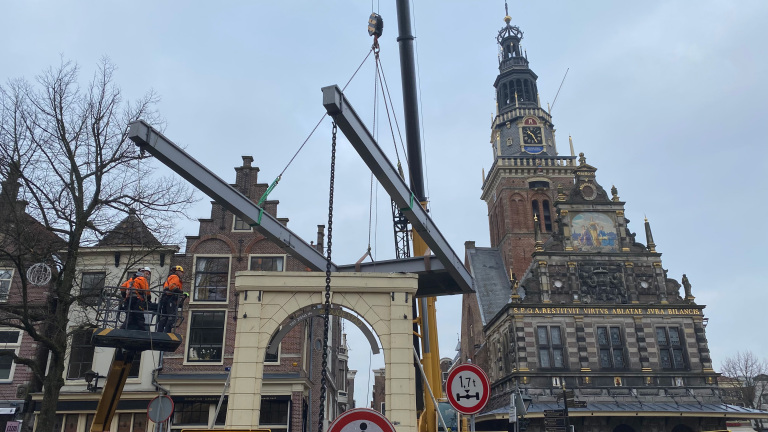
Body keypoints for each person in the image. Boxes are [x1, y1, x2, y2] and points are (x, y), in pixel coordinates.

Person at [156, 265, 187, 333]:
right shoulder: (175, 277)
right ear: (177, 271)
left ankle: (159, 332)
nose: (182, 274)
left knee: (164, 317)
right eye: (181, 272)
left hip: (165, 298)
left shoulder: (169, 277)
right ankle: (167, 332)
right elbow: (172, 287)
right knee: (171, 317)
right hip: (170, 298)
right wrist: (181, 292)